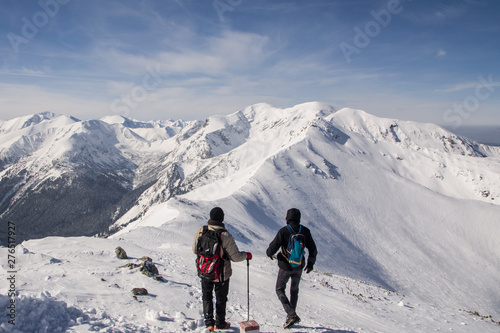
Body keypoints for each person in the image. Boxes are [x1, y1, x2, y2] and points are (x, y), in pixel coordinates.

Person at [193, 207, 252, 332]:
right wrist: (246, 255)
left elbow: (194, 250)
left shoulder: (201, 231)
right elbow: (235, 257)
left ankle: (209, 323)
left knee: (206, 296)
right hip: (221, 274)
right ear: (222, 218)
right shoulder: (225, 236)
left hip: (204, 271)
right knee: (221, 298)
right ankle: (220, 323)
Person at [266, 208, 317, 329]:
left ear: (287, 218)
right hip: (298, 266)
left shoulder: (284, 231)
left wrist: (269, 253)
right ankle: (291, 315)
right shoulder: (305, 231)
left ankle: (291, 314)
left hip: (285, 266)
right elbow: (313, 249)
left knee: (279, 289)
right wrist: (310, 264)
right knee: (294, 291)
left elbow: (273, 247)